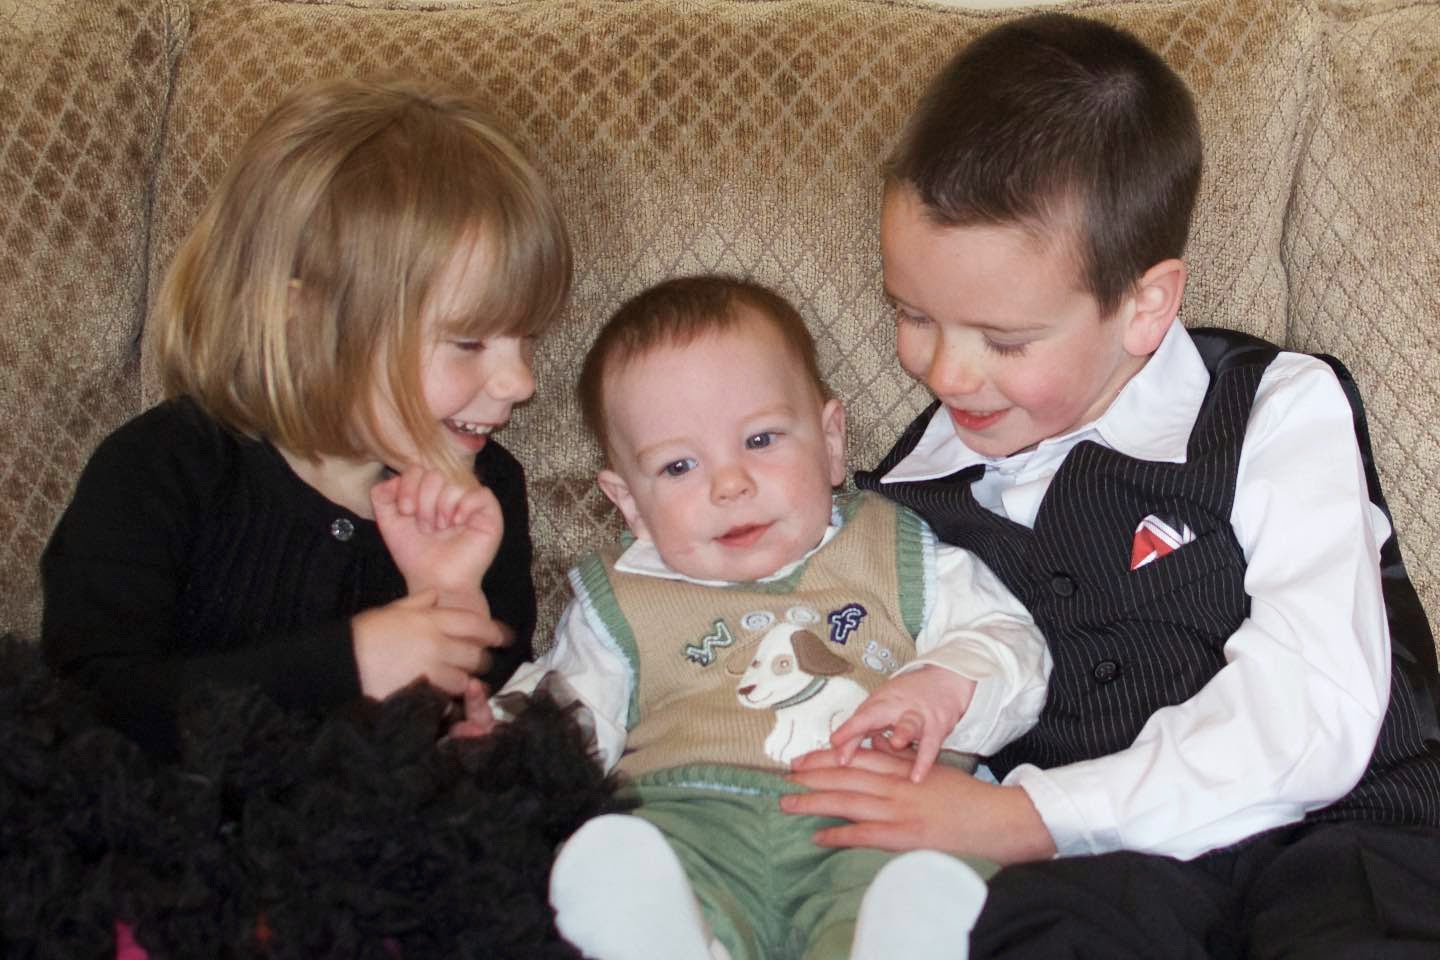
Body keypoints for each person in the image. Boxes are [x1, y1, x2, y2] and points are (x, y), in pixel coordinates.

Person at [781, 12, 1440, 958]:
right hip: (1099, 886)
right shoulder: (899, 506)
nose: (947, 372)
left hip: (1350, 841)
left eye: (1005, 340)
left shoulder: (1275, 407)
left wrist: (1028, 816)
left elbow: (1316, 704)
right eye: (913, 315)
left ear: (1144, 305)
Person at [456, 275, 1050, 960]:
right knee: (633, 860)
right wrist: (497, 744)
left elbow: (1011, 641)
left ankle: (900, 935)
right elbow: (567, 711)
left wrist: (945, 682)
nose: (729, 484)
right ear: (630, 504)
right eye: (678, 466)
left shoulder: (901, 551)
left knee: (911, 884)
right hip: (693, 821)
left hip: (876, 813)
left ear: (831, 440)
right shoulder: (620, 595)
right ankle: (661, 935)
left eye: (761, 439)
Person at [40, 78, 572, 758]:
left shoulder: (483, 491)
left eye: (527, 339)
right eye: (468, 342)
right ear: (306, 321)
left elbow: (493, 700)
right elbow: (86, 701)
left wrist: (451, 607)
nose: (520, 382)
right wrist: (347, 665)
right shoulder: (160, 467)